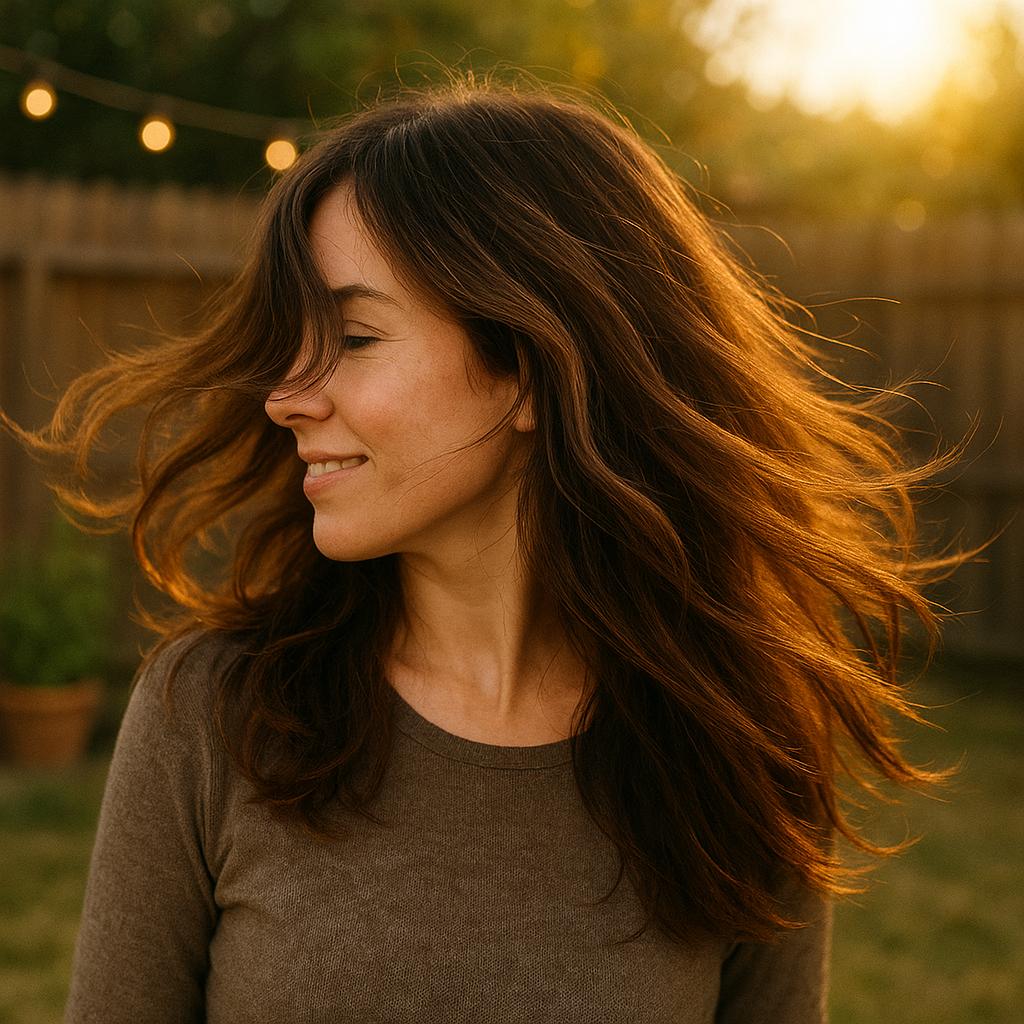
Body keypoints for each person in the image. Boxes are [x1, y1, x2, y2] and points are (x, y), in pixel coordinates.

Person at [21, 80, 951, 1022]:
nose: (286, 394)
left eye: (353, 335)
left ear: (538, 369)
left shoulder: (742, 743)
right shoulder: (212, 717)